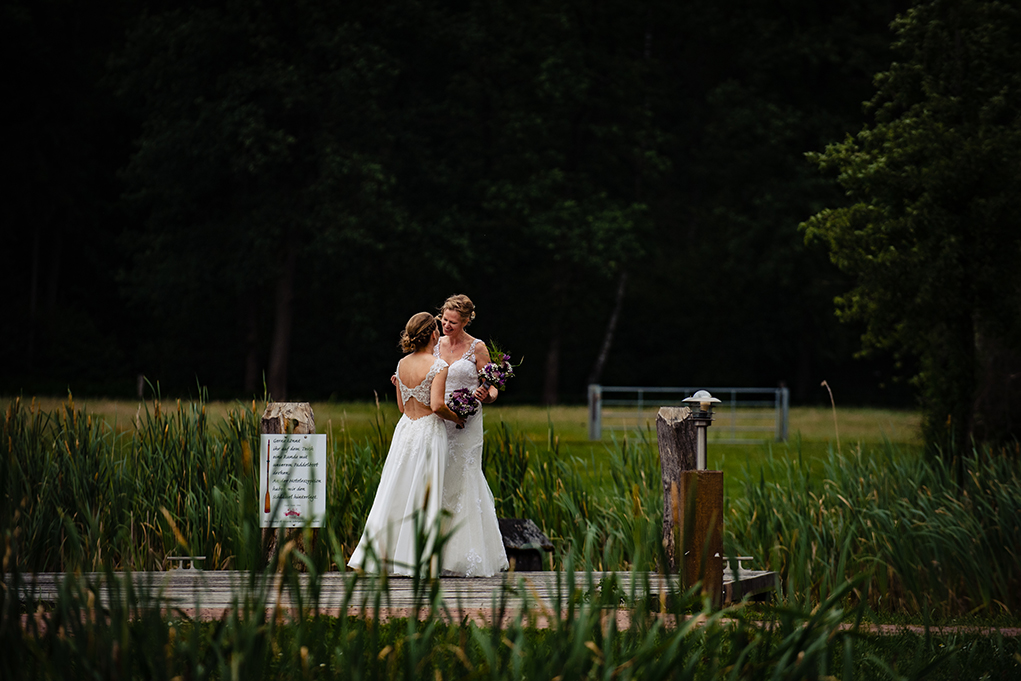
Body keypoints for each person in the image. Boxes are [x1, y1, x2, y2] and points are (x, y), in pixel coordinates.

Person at [348, 312, 464, 576]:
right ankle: (419, 558)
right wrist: (456, 418)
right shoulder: (438, 366)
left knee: (396, 487)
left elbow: (402, 407)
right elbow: (436, 406)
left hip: (405, 431)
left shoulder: (401, 364)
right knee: (424, 492)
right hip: (428, 432)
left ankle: (382, 554)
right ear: (433, 334)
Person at [433, 294, 510, 577]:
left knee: (465, 477)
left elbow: (492, 389)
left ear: (465, 321)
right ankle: (435, 552)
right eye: (444, 319)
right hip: (440, 419)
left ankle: (465, 555)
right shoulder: (434, 344)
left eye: (453, 322)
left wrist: (484, 395)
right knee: (439, 477)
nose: (446, 325)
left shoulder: (477, 348)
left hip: (468, 423)